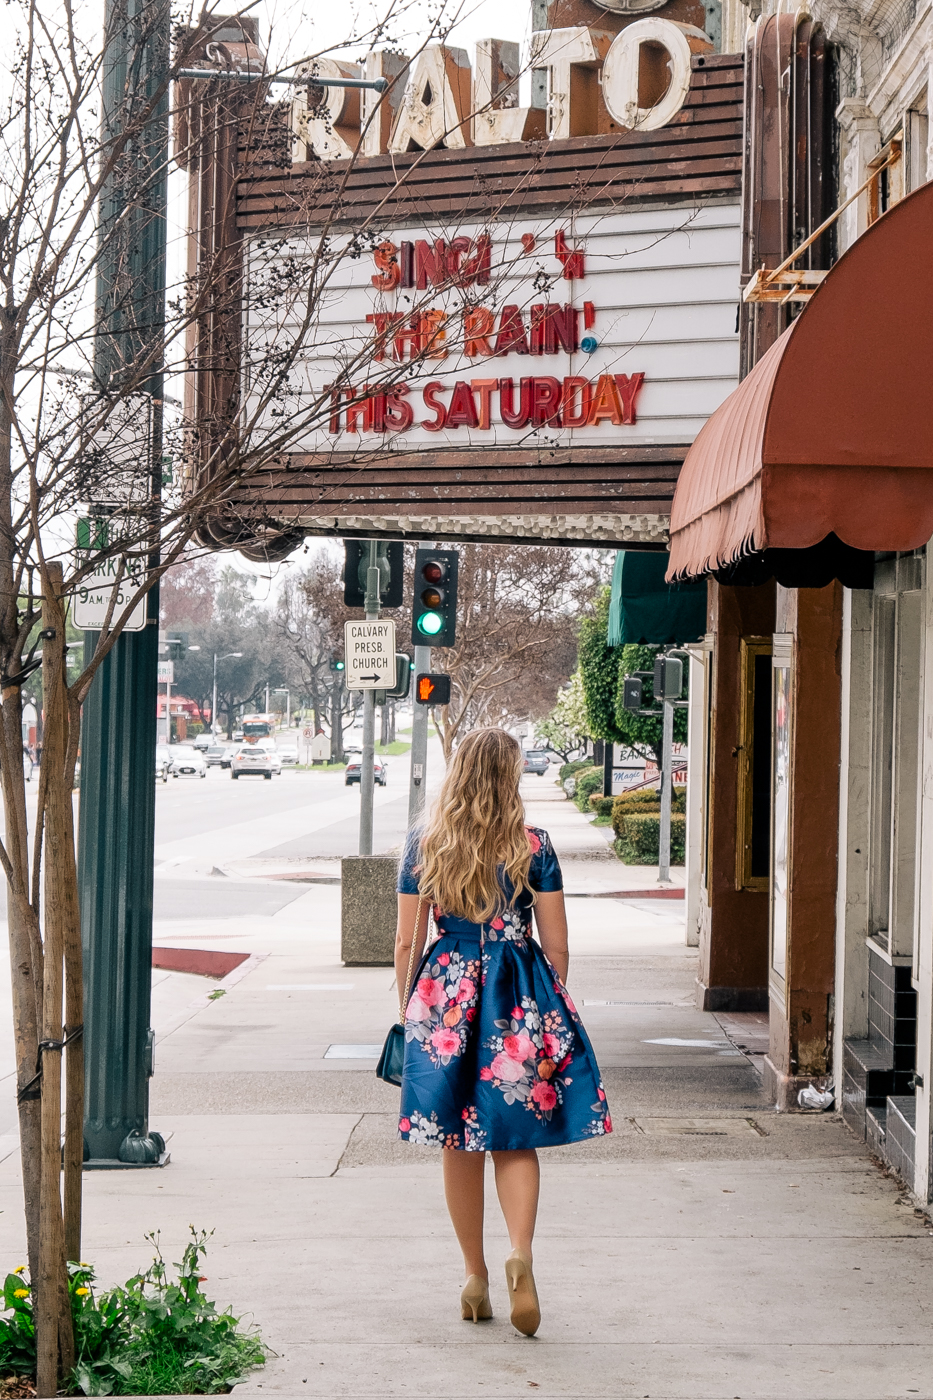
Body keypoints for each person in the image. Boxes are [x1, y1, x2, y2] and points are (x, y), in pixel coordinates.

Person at [395, 727, 611, 1337]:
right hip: (516, 993)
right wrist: (548, 1017)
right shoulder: (533, 846)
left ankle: (474, 1275)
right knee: (514, 1135)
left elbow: (408, 941)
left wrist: (410, 1006)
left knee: (454, 1135)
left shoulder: (425, 843)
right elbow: (558, 942)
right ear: (511, 777)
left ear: (458, 773)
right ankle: (521, 1252)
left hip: (446, 994)